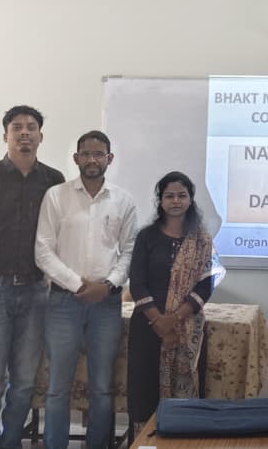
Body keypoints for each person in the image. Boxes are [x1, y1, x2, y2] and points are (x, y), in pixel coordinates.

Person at [0, 105, 65, 449]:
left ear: (40, 136)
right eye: (16, 127)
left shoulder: (53, 180)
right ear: (5, 135)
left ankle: (10, 442)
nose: (24, 133)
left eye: (31, 127)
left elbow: (61, 234)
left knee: (24, 382)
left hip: (36, 291)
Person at [35, 130, 138, 449]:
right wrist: (78, 284)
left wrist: (107, 285)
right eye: (86, 154)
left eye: (99, 154)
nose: (92, 159)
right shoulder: (56, 196)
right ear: (76, 158)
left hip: (106, 305)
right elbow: (42, 250)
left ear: (109, 158)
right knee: (57, 386)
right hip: (62, 303)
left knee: (102, 387)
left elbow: (130, 251)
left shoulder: (123, 200)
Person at [127, 172, 218, 429]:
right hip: (147, 326)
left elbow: (206, 284)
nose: (176, 201)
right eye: (169, 196)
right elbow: (137, 283)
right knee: (145, 392)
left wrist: (175, 319)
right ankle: (146, 444)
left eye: (181, 195)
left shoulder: (201, 240)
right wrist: (159, 321)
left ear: (190, 199)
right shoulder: (146, 236)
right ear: (160, 200)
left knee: (184, 402)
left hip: (186, 327)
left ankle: (181, 441)